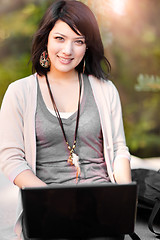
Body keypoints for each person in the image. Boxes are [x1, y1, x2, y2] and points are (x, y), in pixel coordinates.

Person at [0, 0, 132, 239]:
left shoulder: (105, 90)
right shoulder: (20, 92)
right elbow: (10, 158)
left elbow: (120, 149)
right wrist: (51, 200)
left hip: (100, 206)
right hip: (47, 206)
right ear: (46, 39)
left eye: (78, 41)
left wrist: (122, 196)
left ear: (88, 46)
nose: (68, 50)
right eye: (60, 38)